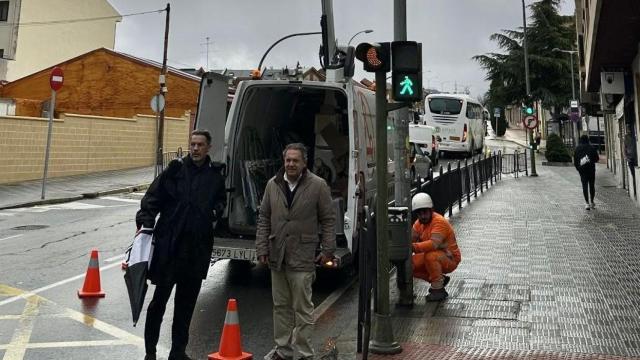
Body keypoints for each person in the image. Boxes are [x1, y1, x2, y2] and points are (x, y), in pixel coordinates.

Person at [136, 129, 226, 360]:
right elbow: (151, 200)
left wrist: (215, 211)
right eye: (192, 144)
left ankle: (178, 352)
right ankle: (150, 352)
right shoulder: (174, 171)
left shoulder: (215, 175)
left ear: (208, 147)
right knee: (158, 303)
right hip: (170, 248)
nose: (195, 149)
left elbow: (220, 200)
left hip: (196, 250)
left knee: (186, 306)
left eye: (200, 145)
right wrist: (145, 225)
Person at [256, 142, 336, 360]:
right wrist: (262, 246)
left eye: (295, 160)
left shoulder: (318, 185)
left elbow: (328, 220)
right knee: (280, 306)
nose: (290, 164)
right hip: (277, 254)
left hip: (303, 254)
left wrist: (328, 249)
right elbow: (264, 217)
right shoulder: (273, 184)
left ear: (304, 163)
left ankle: (302, 353)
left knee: (302, 308)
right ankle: (283, 350)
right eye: (287, 160)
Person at [411, 193, 461, 302]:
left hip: (450, 258)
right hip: (438, 256)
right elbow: (411, 239)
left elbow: (433, 244)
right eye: (419, 213)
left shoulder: (439, 222)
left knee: (430, 256)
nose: (422, 216)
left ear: (431, 210)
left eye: (425, 212)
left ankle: (438, 290)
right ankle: (439, 279)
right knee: (409, 265)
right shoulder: (418, 224)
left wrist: (413, 247)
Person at [573, 134, 599, 210]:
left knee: (584, 186)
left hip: (582, 170)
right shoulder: (592, 148)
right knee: (591, 185)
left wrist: (578, 168)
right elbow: (597, 159)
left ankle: (587, 203)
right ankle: (592, 201)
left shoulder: (577, 149)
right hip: (591, 170)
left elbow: (575, 160)